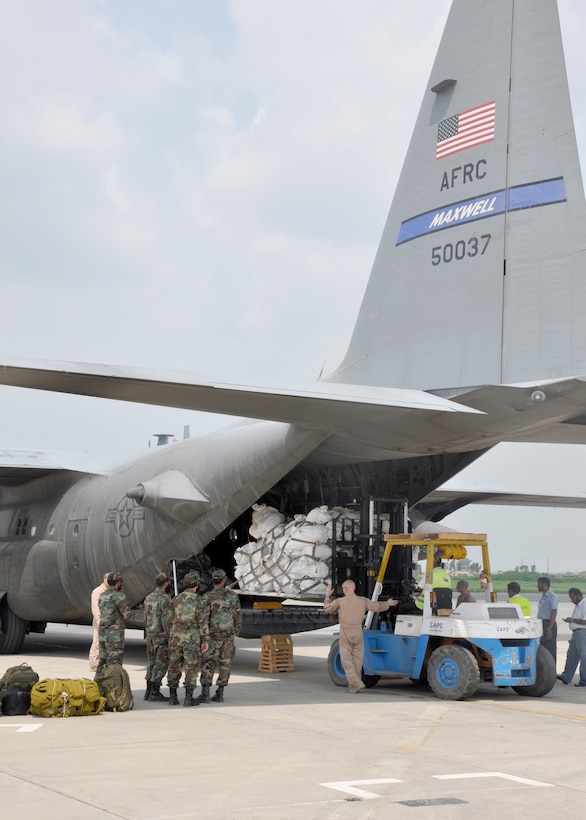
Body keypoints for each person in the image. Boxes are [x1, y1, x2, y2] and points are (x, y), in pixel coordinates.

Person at [323, 579, 397, 694]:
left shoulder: (340, 601)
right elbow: (377, 607)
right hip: (358, 633)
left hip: (346, 633)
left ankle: (356, 683)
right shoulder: (363, 601)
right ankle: (354, 686)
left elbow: (327, 608)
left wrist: (327, 596)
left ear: (345, 589)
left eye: (343, 588)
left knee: (346, 660)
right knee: (357, 660)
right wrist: (388, 603)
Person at [194, 568, 242, 704]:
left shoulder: (207, 597)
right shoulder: (233, 596)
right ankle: (220, 693)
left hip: (212, 637)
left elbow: (203, 620)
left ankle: (205, 693)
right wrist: (234, 632)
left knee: (208, 663)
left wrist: (204, 638)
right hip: (228, 636)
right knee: (225, 664)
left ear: (213, 581)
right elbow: (238, 616)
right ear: (224, 580)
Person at [167, 571, 210, 706]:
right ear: (197, 584)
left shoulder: (176, 599)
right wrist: (205, 640)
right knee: (191, 667)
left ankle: (173, 697)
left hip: (175, 637)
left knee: (174, 665)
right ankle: (188, 698)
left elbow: (168, 619)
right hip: (192, 638)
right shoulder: (200, 601)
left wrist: (171, 635)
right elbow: (203, 622)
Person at [143, 572, 173, 702]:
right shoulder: (165, 599)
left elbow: (145, 617)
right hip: (161, 636)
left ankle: (148, 691)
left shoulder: (148, 598)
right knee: (161, 664)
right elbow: (166, 621)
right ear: (166, 583)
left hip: (150, 635)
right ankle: (155, 692)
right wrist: (170, 637)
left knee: (151, 663)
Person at [96, 571, 132, 673]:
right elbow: (127, 615)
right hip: (114, 634)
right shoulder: (120, 597)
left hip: (103, 632)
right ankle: (114, 686)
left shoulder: (102, 595)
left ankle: (98, 683)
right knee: (115, 662)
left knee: (103, 660)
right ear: (118, 583)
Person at [557, 588, 586, 687]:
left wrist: (572, 620)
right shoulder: (578, 605)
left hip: (582, 633)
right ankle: (567, 676)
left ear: (578, 595)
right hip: (576, 633)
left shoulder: (584, 604)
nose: (571, 600)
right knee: (571, 655)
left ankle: (584, 680)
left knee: (584, 657)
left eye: (572, 597)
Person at [89, 572, 109, 671]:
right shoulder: (97, 591)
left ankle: (103, 663)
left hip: (108, 621)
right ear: (105, 580)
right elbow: (95, 608)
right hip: (100, 621)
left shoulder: (109, 591)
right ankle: (94, 664)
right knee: (97, 642)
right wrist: (99, 621)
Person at [537, 577, 558, 663]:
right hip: (542, 623)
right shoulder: (543, 596)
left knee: (550, 649)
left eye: (539, 584)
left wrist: (549, 628)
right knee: (543, 647)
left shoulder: (552, 596)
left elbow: (553, 612)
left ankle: (551, 670)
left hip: (548, 623)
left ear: (544, 585)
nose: (537, 586)